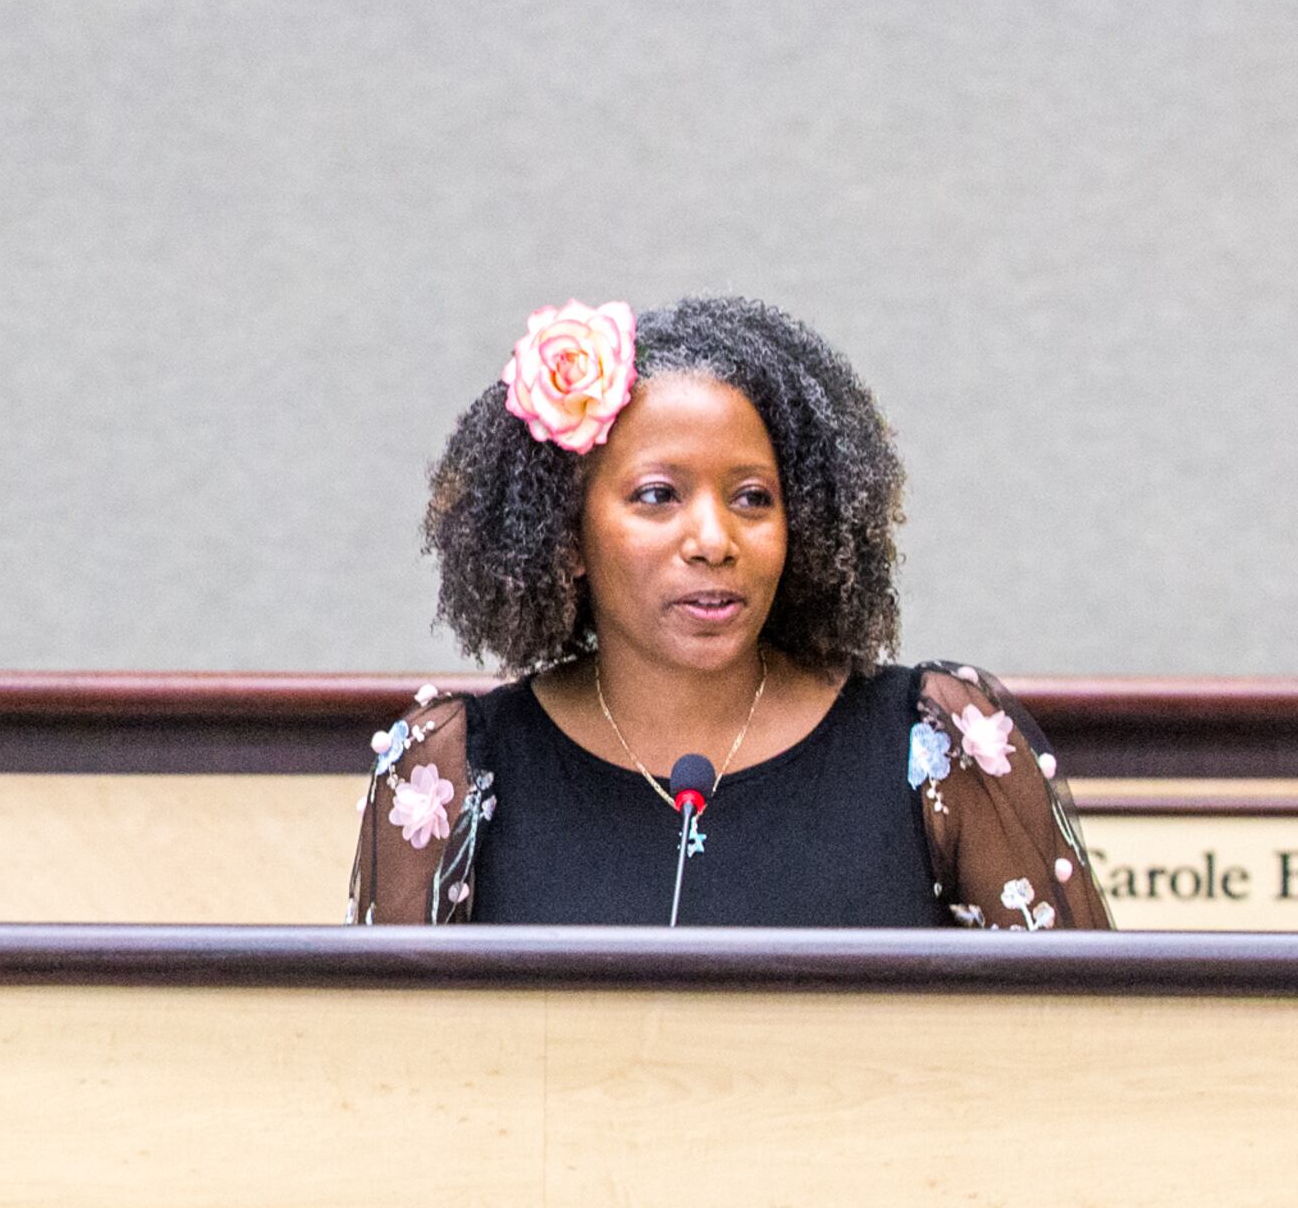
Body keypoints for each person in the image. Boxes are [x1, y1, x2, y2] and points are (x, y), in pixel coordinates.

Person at [351, 297, 1110, 931]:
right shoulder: (452, 771)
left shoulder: (936, 743)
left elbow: (1085, 1049)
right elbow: (394, 1078)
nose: (715, 541)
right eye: (658, 496)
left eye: (753, 498)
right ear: (567, 535)